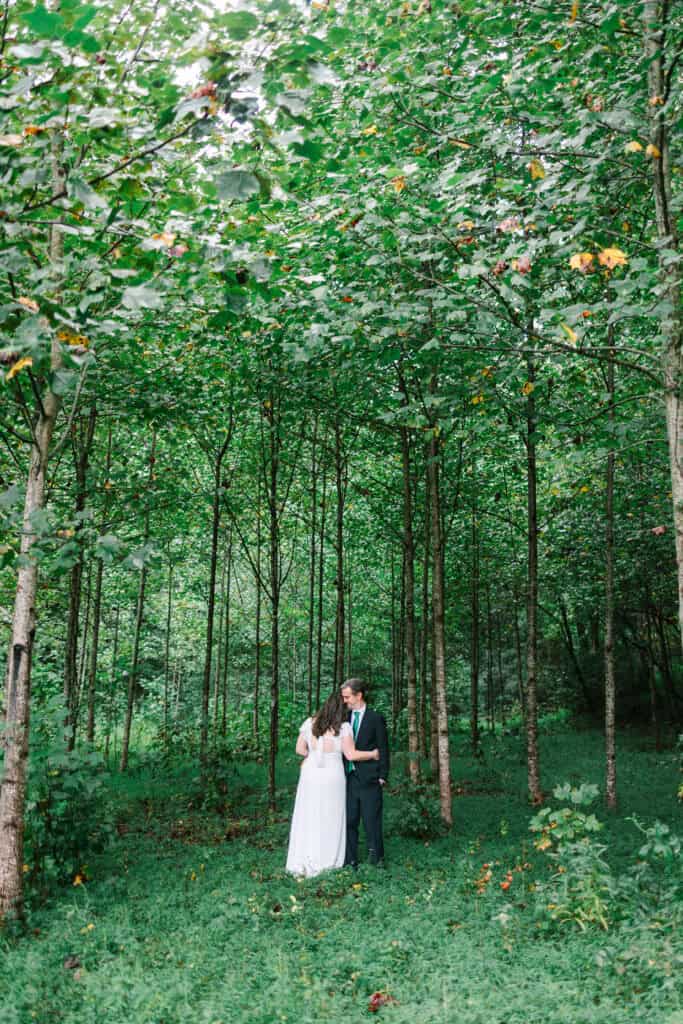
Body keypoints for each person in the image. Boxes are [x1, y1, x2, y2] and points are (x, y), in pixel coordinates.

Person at [286, 691, 379, 878]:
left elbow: (299, 749)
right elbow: (351, 755)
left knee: (309, 813)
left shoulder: (309, 723)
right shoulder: (343, 727)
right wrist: (373, 754)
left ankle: (304, 857)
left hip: (311, 773)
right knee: (330, 815)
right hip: (332, 775)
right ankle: (327, 859)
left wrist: (313, 756)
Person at [341, 678, 389, 869]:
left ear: (359, 695)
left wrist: (383, 775)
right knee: (350, 819)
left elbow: (383, 747)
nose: (345, 700)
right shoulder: (344, 717)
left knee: (371, 820)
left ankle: (377, 858)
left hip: (370, 777)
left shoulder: (375, 718)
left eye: (347, 697)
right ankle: (350, 859)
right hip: (348, 778)